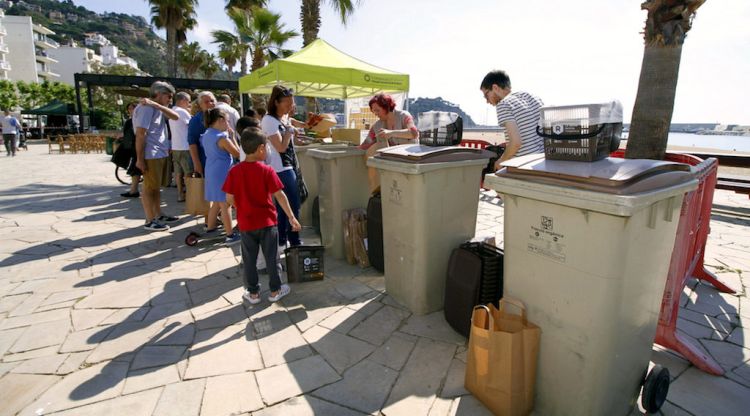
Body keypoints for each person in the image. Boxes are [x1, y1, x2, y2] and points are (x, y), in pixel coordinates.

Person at [223, 127, 300, 304]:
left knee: (249, 260)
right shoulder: (267, 171)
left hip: (246, 223)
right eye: (267, 147)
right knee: (272, 258)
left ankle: (253, 293)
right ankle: (275, 290)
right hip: (267, 222)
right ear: (260, 149)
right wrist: (291, 217)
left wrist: (242, 207)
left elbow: (229, 198)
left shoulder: (234, 171)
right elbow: (280, 195)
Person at [134, 81, 180, 231]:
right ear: (159, 94)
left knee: (156, 187)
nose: (170, 100)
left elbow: (175, 117)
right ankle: (149, 219)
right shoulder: (146, 108)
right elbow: (140, 134)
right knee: (148, 188)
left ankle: (158, 214)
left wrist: (158, 105)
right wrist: (140, 159)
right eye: (168, 96)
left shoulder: (156, 108)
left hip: (159, 152)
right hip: (151, 154)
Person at [261, 85, 302, 248]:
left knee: (286, 207)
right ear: (276, 102)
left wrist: (291, 131)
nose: (290, 106)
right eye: (287, 103)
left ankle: (283, 241)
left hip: (288, 167)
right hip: (280, 170)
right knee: (292, 206)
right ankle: (293, 241)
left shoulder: (282, 119)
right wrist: (289, 132)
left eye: (291, 103)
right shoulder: (269, 120)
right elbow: (280, 147)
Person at [480, 69, 544, 169]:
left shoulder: (504, 104)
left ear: (495, 88)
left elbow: (516, 143)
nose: (487, 101)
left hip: (523, 167)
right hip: (542, 163)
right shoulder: (532, 97)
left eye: (486, 95)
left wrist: (500, 161)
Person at [358, 93, 419, 194]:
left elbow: (414, 133)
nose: (375, 113)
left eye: (377, 110)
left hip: (411, 164)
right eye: (373, 111)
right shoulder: (377, 126)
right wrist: (349, 148)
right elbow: (367, 143)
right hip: (394, 166)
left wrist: (391, 133)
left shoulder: (404, 116)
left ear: (386, 106)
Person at [201, 107, 241, 245]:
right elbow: (237, 153)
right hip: (222, 171)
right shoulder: (222, 137)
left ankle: (210, 226)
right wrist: (233, 137)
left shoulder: (206, 134)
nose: (228, 125)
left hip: (211, 169)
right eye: (227, 121)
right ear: (220, 120)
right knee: (225, 204)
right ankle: (230, 235)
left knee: (217, 203)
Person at [169, 92, 193, 202]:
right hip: (185, 146)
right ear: (182, 100)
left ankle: (180, 194)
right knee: (188, 172)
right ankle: (189, 193)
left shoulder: (171, 111)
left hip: (175, 146)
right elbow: (191, 126)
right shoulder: (182, 112)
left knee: (178, 173)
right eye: (188, 101)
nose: (189, 104)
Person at [187, 91, 217, 177]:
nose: (210, 103)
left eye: (212, 100)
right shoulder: (196, 120)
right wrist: (197, 163)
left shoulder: (219, 118)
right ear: (200, 105)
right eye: (206, 102)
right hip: (204, 161)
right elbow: (192, 143)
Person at [120, 102, 141, 198]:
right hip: (132, 148)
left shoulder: (138, 120)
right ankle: (134, 190)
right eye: (129, 109)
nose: (131, 111)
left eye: (132, 108)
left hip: (138, 147)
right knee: (135, 169)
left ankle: (134, 190)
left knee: (135, 169)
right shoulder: (130, 121)